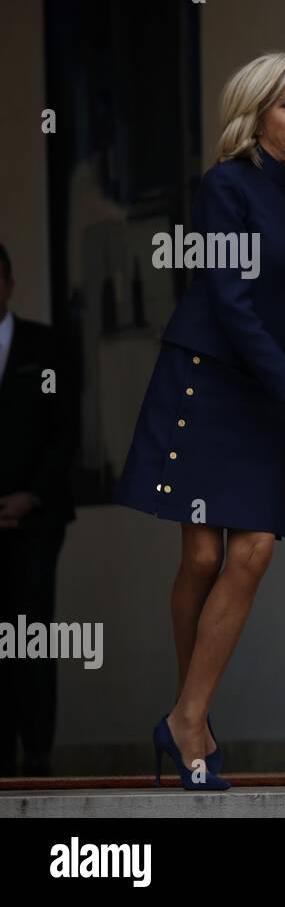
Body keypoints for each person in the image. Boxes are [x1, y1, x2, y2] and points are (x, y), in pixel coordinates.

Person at [114, 53, 285, 790]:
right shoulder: (225, 187)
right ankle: (191, 716)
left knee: (254, 549)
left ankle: (186, 716)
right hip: (207, 381)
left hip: (269, 391)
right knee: (201, 557)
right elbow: (229, 304)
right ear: (255, 114)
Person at [0, 244, 78, 777]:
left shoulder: (44, 347)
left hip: (36, 519)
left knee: (31, 633)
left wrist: (31, 496)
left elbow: (64, 431)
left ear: (7, 284)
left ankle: (38, 750)